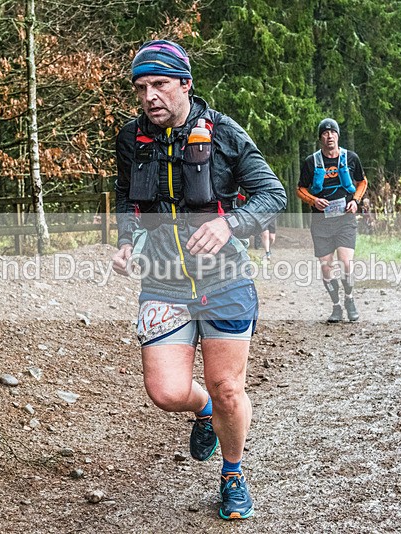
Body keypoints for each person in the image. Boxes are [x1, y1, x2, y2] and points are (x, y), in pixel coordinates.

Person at [111, 40, 286, 520]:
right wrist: (127, 241)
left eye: (160, 85)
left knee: (229, 385)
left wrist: (229, 223)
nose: (150, 96)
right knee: (166, 392)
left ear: (186, 84)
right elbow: (128, 198)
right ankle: (202, 407)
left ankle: (233, 474)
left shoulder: (224, 134)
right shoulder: (130, 139)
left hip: (225, 280)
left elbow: (273, 193)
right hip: (163, 280)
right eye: (142, 87)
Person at [297, 118, 368, 322]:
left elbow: (362, 182)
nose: (329, 137)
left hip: (345, 217)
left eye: (333, 133)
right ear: (320, 138)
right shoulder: (311, 162)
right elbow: (299, 189)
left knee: (346, 262)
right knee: (326, 267)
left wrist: (355, 201)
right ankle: (336, 306)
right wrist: (313, 200)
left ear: (338, 135)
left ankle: (350, 299)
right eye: (325, 133)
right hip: (321, 221)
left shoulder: (350, 158)